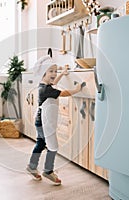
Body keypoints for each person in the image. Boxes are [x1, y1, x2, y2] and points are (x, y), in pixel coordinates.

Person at [26, 55, 85, 185]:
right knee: (53, 147)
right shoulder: (46, 90)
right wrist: (76, 90)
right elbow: (63, 93)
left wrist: (62, 74)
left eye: (55, 70)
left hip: (40, 121)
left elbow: (53, 83)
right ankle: (48, 171)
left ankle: (32, 166)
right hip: (44, 123)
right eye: (51, 71)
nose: (54, 73)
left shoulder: (43, 85)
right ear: (43, 73)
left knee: (41, 143)